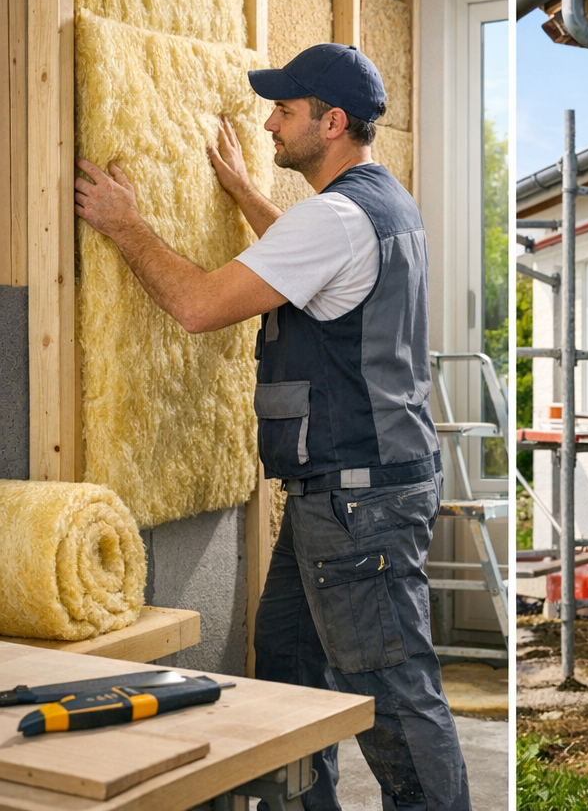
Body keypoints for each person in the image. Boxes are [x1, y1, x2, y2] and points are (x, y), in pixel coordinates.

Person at [74, 43, 471, 811]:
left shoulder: (335, 219)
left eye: (283, 112)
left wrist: (127, 226)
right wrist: (249, 194)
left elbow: (196, 306)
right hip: (357, 492)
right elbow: (308, 257)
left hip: (356, 503)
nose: (266, 123)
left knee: (394, 700)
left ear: (331, 122)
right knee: (289, 659)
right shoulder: (380, 202)